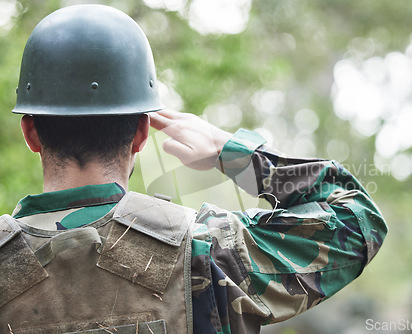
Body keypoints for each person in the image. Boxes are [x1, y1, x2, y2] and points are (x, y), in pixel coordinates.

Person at [0, 4, 388, 334]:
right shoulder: (209, 249)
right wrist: (231, 152)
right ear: (140, 133)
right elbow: (358, 221)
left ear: (30, 132)